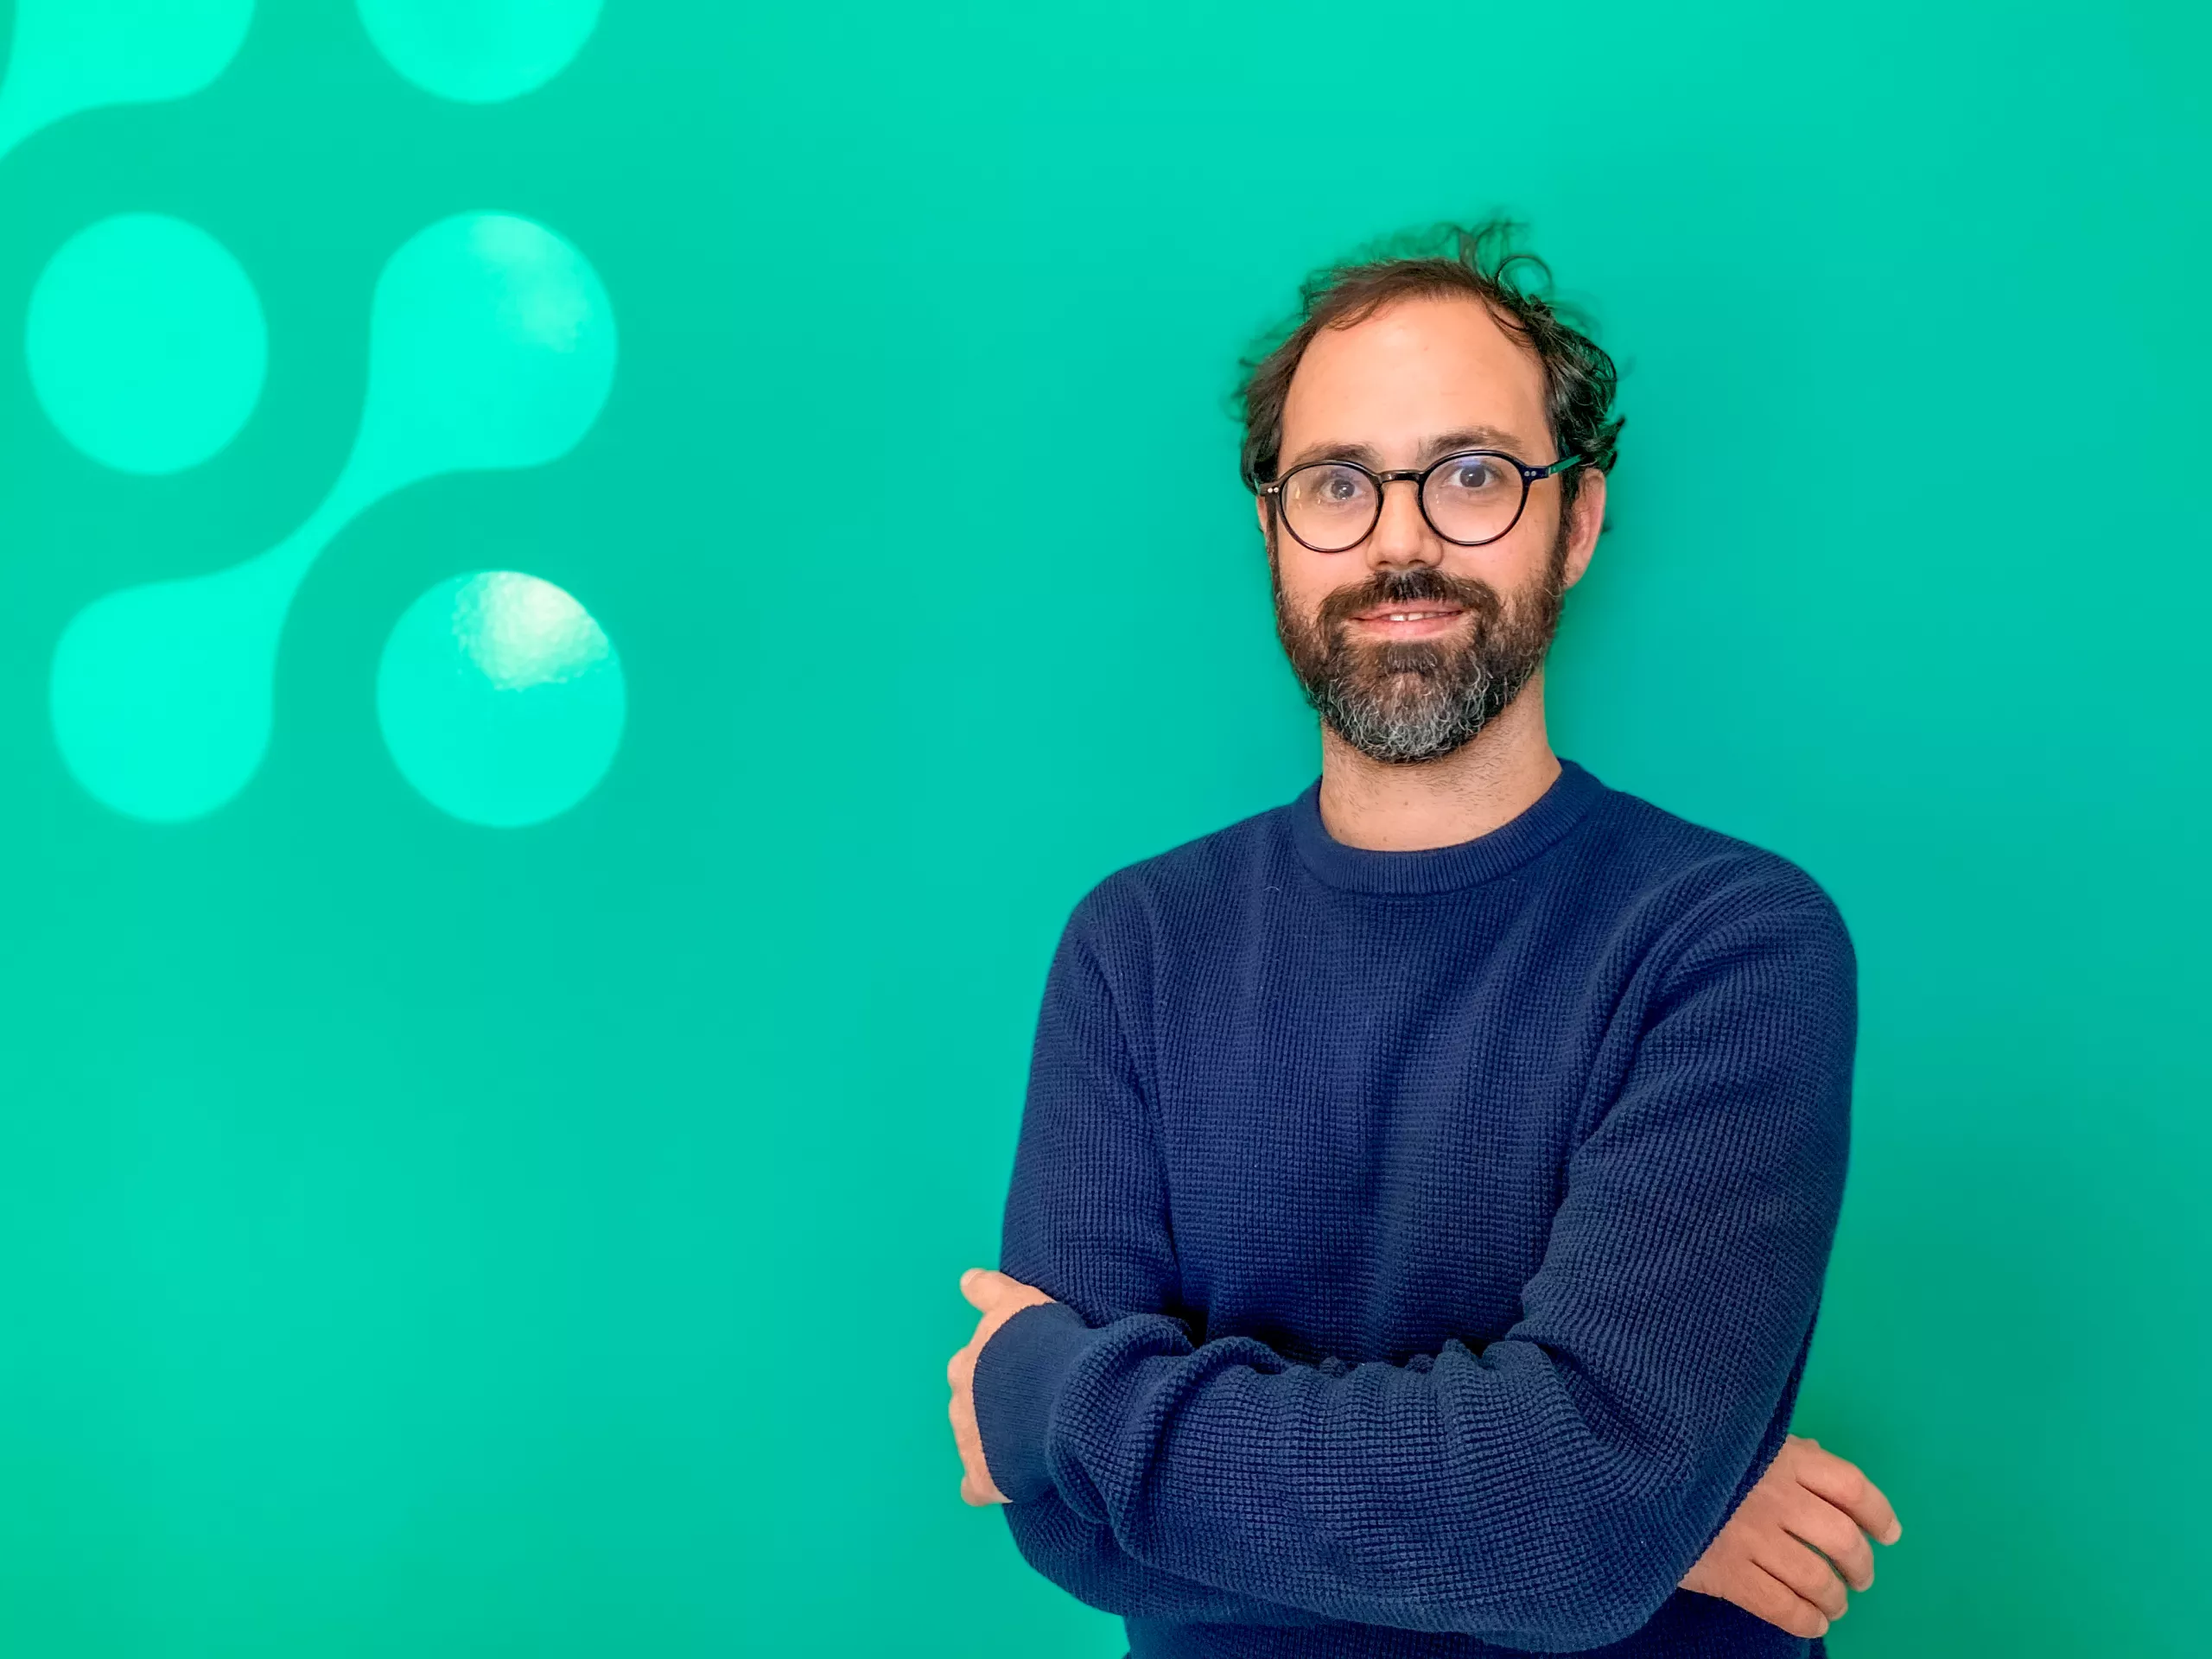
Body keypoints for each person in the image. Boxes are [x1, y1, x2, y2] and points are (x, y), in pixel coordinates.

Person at [944, 219, 1904, 1658]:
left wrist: (1059, 1403)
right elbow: (1068, 1530)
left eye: (1471, 476)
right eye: (1339, 482)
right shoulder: (1133, 947)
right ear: (1273, 527)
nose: (1399, 540)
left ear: (1575, 525)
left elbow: (1572, 1524)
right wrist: (1650, 1516)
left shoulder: (1731, 943)